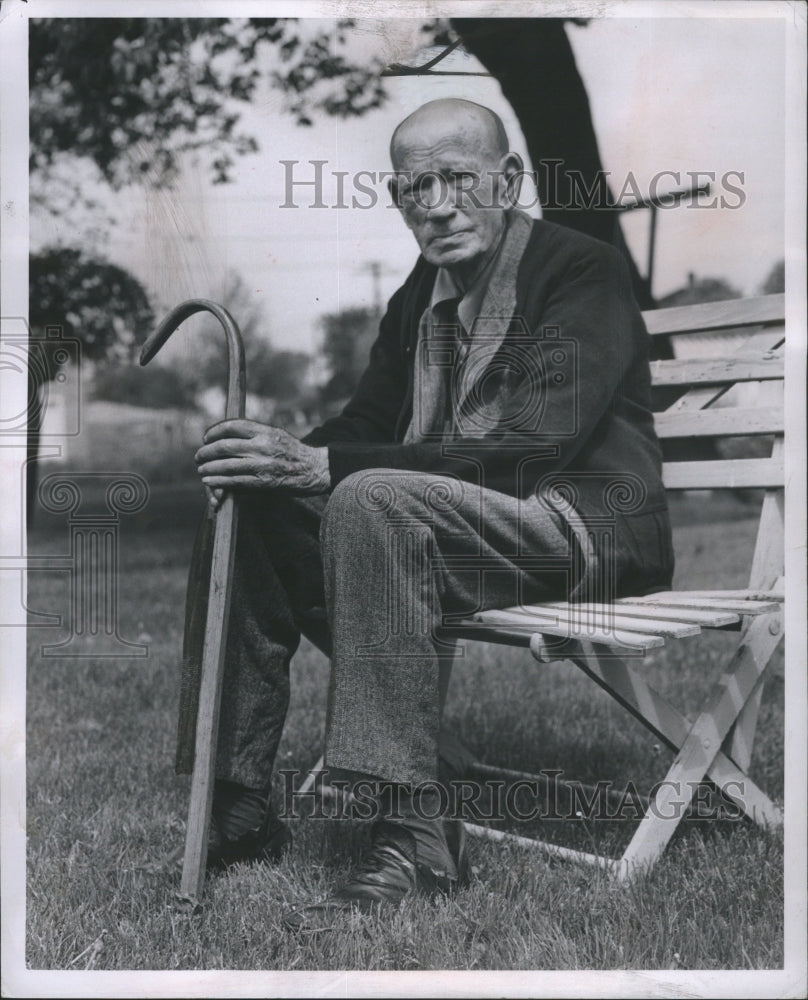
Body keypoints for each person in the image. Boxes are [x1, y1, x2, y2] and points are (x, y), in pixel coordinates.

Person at [190, 98, 674, 926]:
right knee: (257, 504)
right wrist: (272, 455)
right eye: (419, 187)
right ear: (397, 197)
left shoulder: (580, 270)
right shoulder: (424, 291)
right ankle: (235, 793)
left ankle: (416, 832)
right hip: (451, 526)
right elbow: (366, 427)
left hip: (579, 524)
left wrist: (325, 465)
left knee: (370, 495)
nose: (439, 204)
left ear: (510, 180)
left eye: (459, 179)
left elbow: (528, 448)